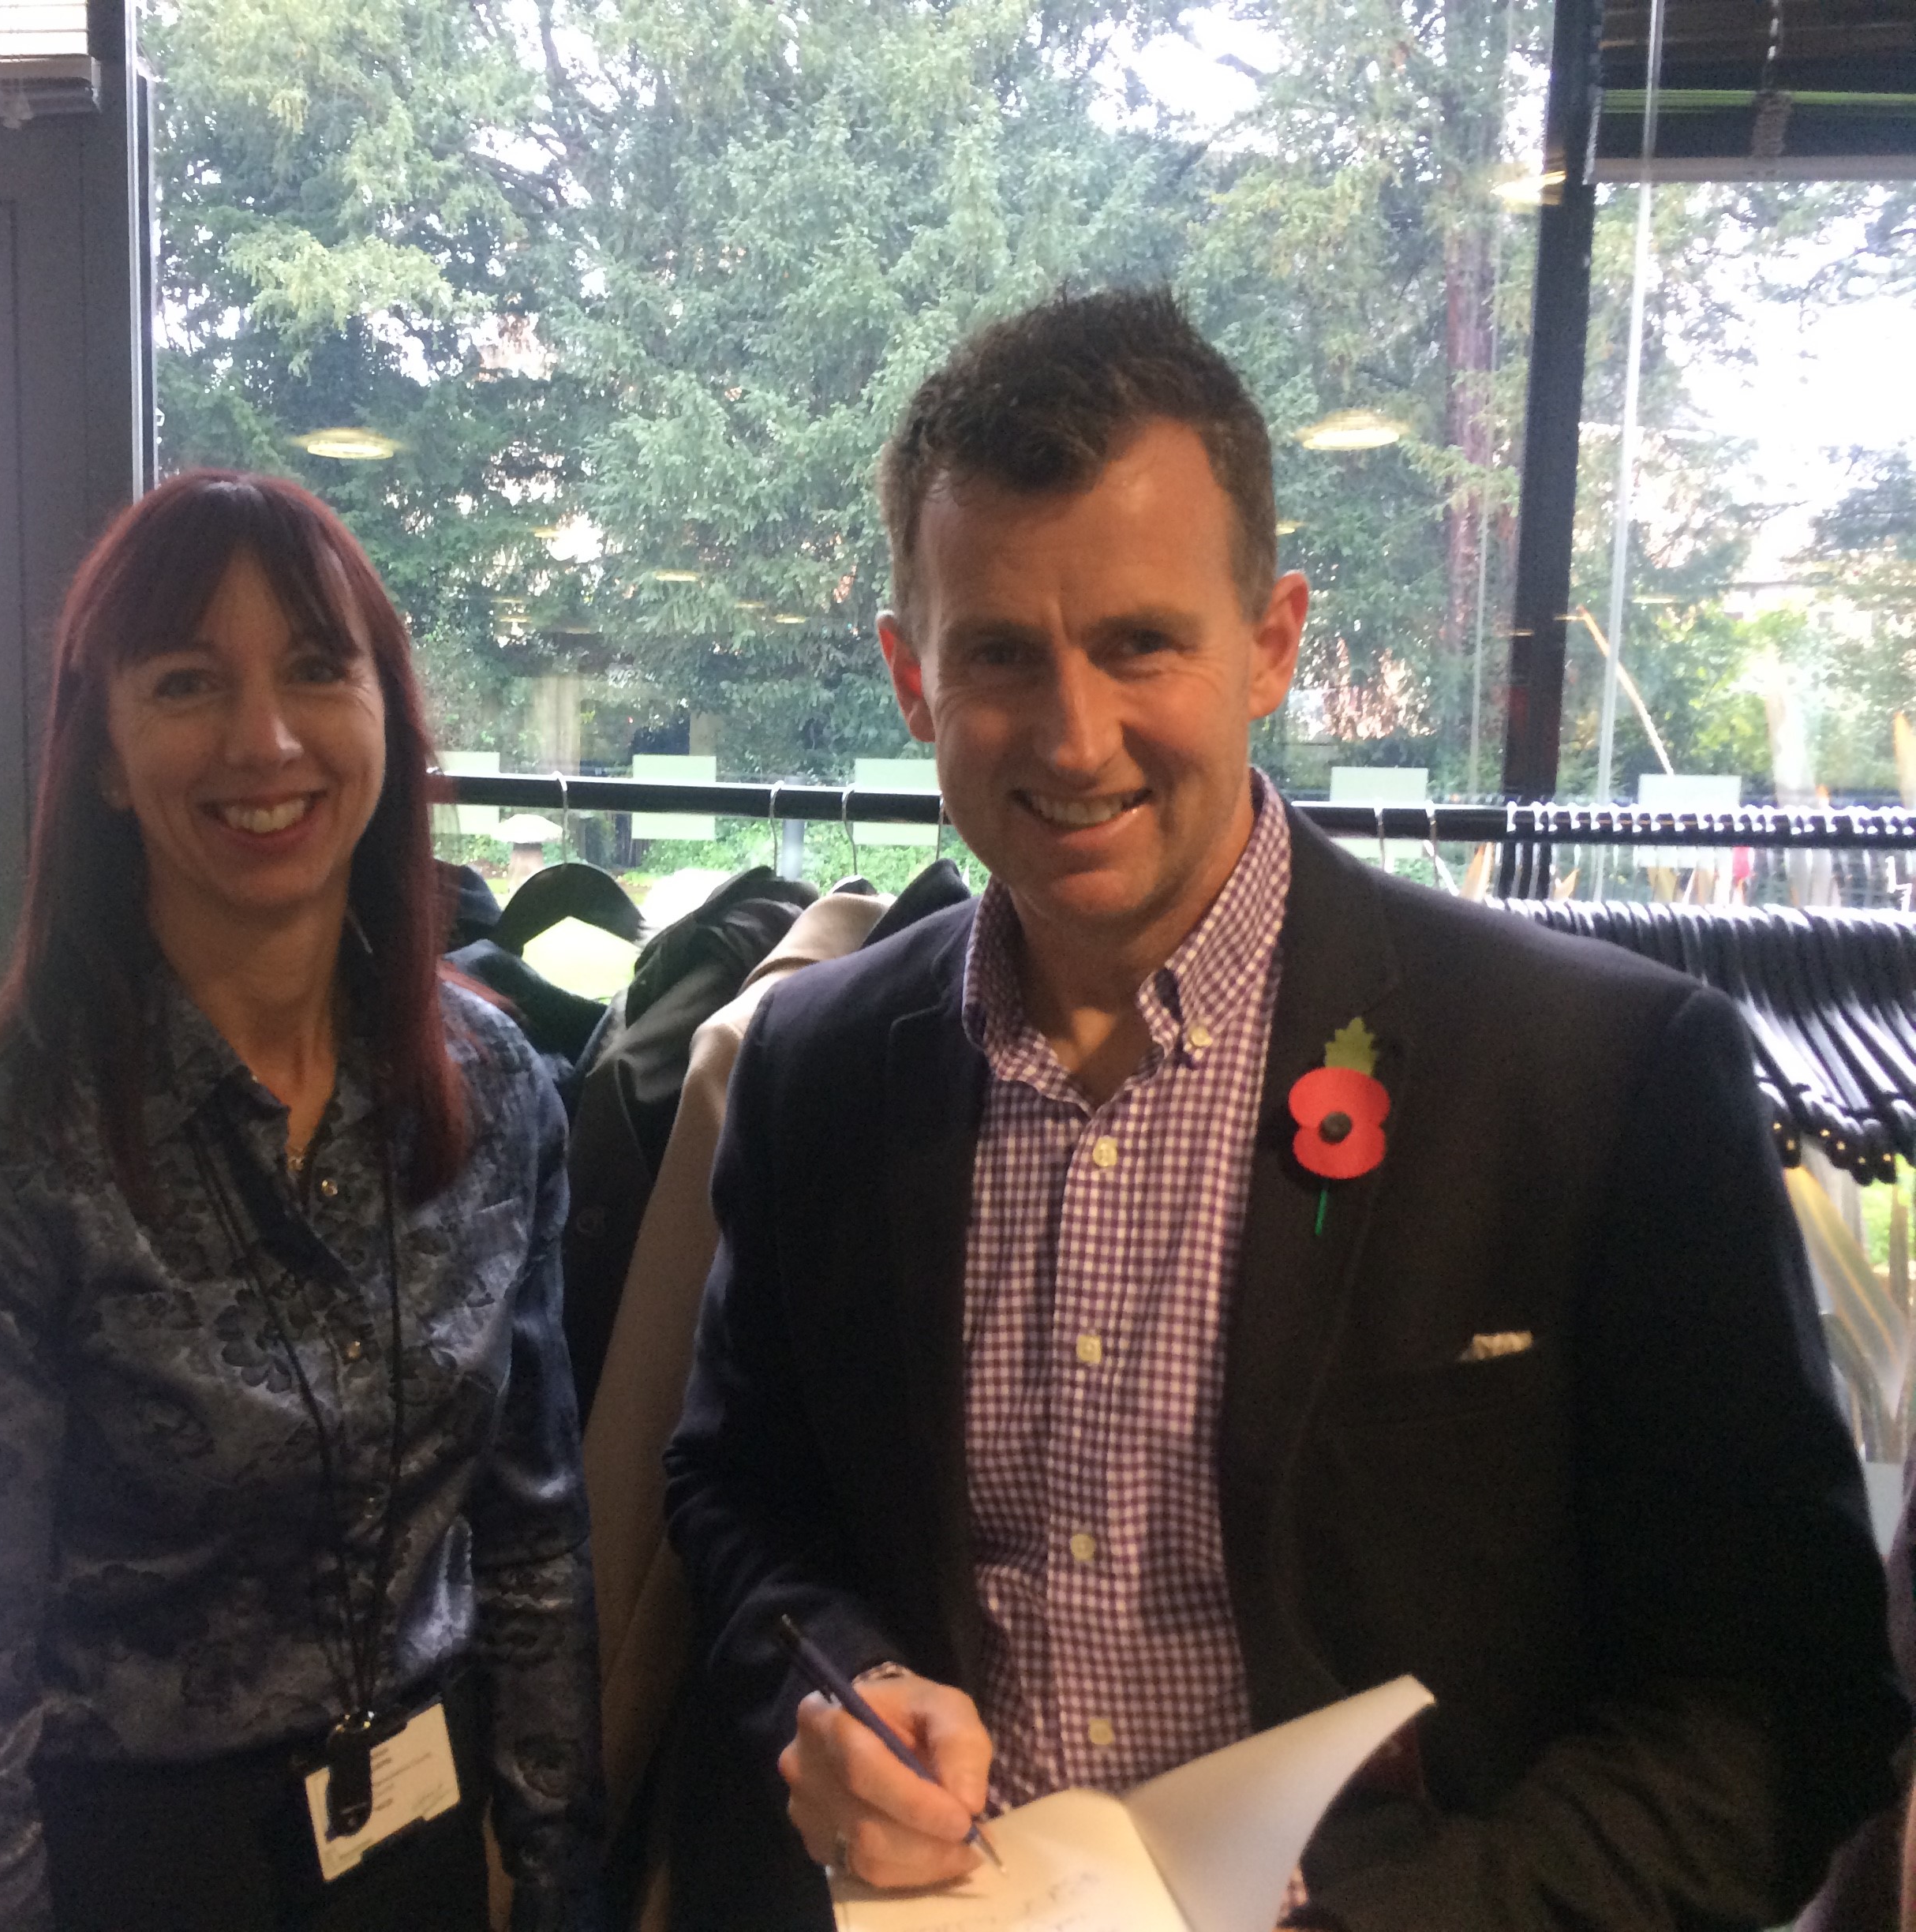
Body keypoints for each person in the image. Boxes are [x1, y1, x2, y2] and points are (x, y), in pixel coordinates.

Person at [660, 288, 1905, 1930]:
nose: (1073, 734)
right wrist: (848, 1684)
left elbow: (1775, 1711)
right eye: (1001, 659)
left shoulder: (1600, 1080)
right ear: (911, 678)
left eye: (1139, 644)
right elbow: (738, 1495)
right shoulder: (813, 1073)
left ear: (1272, 643)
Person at [0, 470, 601, 1930]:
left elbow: (537, 1546)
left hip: (414, 1846)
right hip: (116, 1867)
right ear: (107, 755)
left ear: (389, 720)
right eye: (188, 682)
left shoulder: (498, 1093)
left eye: (318, 668)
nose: (267, 739)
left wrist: (565, 1891)